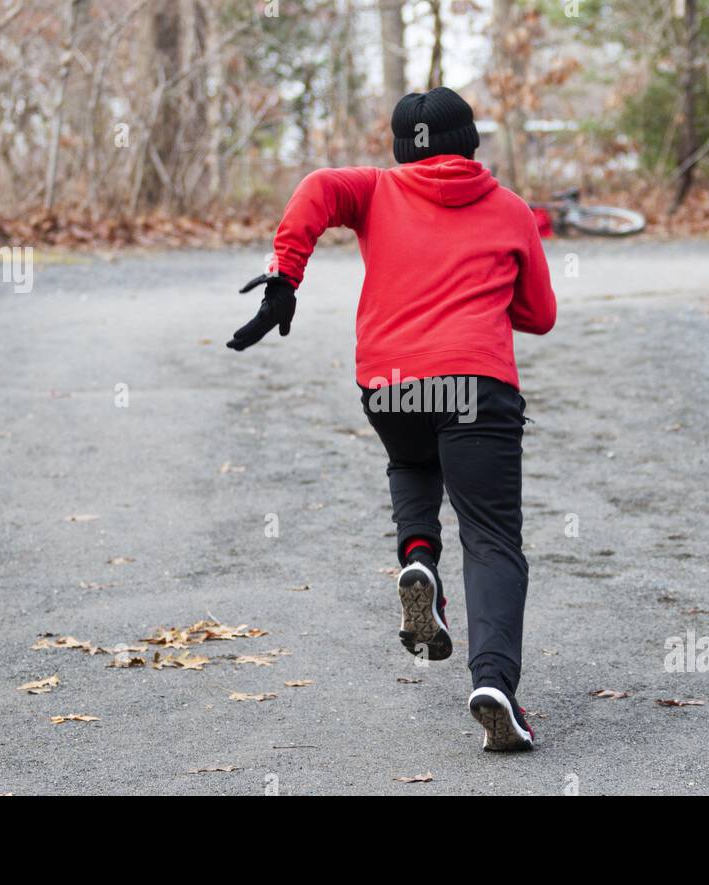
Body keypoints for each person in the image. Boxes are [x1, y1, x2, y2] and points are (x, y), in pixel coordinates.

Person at [227, 86, 556, 751]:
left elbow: (318, 186)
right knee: (491, 538)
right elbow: (540, 315)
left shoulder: (374, 189)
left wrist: (286, 274)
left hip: (391, 385)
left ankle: (417, 557)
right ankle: (494, 683)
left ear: (402, 148)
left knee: (409, 458)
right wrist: (486, 298)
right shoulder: (513, 210)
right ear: (472, 141)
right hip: (475, 386)